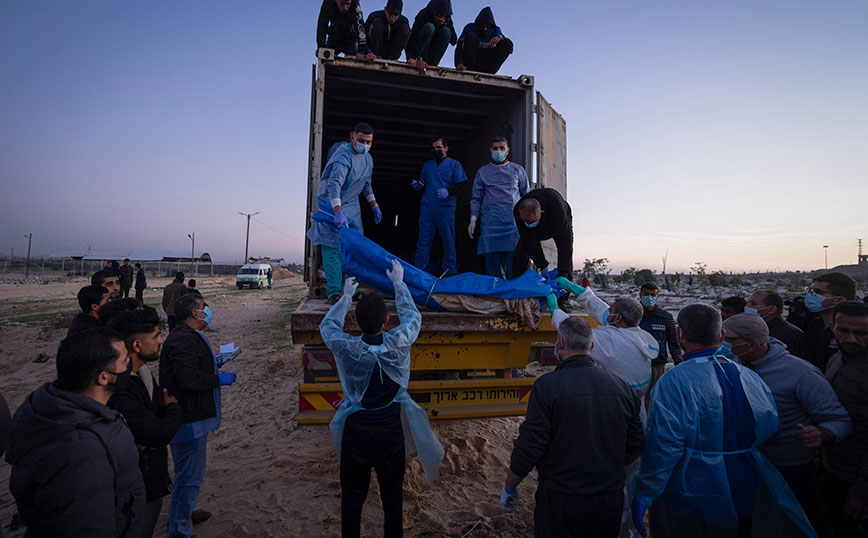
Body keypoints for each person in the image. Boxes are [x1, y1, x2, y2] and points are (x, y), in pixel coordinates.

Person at [631, 303, 815, 538]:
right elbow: (770, 423)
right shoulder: (747, 375)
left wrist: (646, 491)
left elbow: (664, 445)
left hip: (694, 486)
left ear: (680, 335)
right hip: (747, 480)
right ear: (722, 335)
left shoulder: (674, 381)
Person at [321, 260, 444, 538]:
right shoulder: (398, 342)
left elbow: (328, 329)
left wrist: (344, 298)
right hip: (390, 434)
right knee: (392, 501)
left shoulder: (348, 348)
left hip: (357, 434)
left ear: (355, 321)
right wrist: (399, 283)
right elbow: (413, 319)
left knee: (352, 501)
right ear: (387, 322)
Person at [502, 316, 644, 537]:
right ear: (592, 346)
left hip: (560, 498)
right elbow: (636, 444)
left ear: (559, 344)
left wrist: (510, 486)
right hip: (609, 498)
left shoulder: (547, 387)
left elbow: (530, 446)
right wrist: (607, 466)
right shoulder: (622, 387)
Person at [5, 328, 145, 537]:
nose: (130, 365)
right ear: (104, 377)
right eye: (125, 360)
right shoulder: (80, 451)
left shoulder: (52, 405)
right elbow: (83, 526)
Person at [723, 313, 850, 535]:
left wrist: (820, 433)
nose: (723, 343)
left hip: (788, 469)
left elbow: (839, 420)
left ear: (751, 345)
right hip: (745, 463)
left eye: (730, 340)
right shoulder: (734, 364)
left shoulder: (800, 373)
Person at [160, 294, 236, 537]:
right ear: (194, 313)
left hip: (193, 418)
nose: (207, 311)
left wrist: (216, 363)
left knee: (189, 475)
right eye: (204, 307)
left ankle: (182, 515)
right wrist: (218, 379)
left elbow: (191, 367)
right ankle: (179, 530)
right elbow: (188, 379)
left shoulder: (188, 336)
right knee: (188, 478)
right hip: (188, 421)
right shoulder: (182, 340)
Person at [109, 309, 184, 538]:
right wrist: (173, 408)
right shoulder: (121, 390)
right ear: (137, 346)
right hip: (136, 487)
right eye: (156, 336)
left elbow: (153, 428)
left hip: (151, 479)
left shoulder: (143, 372)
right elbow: (158, 433)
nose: (161, 341)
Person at [307, 122, 381, 303]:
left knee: (353, 248)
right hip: (331, 204)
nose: (365, 145)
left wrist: (374, 204)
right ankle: (333, 292)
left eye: (369, 141)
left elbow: (366, 184)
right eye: (361, 140)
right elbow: (334, 186)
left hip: (351, 204)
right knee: (333, 249)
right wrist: (338, 211)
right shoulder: (343, 157)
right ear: (352, 137)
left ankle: (352, 290)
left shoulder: (368, 159)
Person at [821, 301, 868, 537]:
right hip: (833, 468)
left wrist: (862, 492)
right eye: (843, 331)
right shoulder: (838, 359)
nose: (850, 339)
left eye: (860, 333)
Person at [468, 136, 530, 278]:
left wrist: (529, 221)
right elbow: (476, 198)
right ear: (490, 150)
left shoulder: (517, 170)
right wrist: (473, 219)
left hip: (512, 223)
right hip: (490, 223)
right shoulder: (482, 172)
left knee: (514, 263)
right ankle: (496, 298)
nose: (498, 151)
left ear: (507, 150)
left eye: (502, 148)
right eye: (495, 148)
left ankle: (514, 296)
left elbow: (526, 196)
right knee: (492, 264)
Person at [412, 137, 468, 276]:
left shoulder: (454, 165)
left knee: (448, 241)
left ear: (446, 148)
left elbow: (461, 185)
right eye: (434, 148)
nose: (436, 150)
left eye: (439, 147)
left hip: (445, 208)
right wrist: (418, 185)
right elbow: (423, 182)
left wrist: (448, 191)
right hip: (428, 206)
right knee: (423, 240)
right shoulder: (428, 166)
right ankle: (419, 271)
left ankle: (449, 271)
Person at [512, 187, 574, 287]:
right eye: (526, 222)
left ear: (541, 212)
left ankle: (563, 297)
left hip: (557, 220)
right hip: (535, 230)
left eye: (532, 222)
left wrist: (562, 273)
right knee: (519, 254)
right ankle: (519, 288)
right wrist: (542, 265)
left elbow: (565, 245)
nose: (529, 224)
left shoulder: (556, 209)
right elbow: (528, 241)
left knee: (566, 257)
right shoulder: (518, 210)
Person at [637, 282, 682, 405]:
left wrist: (678, 359)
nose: (649, 297)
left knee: (655, 399)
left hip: (658, 365)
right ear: (640, 294)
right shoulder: (633, 315)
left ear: (657, 296)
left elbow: (673, 342)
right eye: (646, 294)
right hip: (637, 364)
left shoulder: (666, 317)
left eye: (653, 294)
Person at [804, 272, 856, 372]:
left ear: (838, 300)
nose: (811, 295)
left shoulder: (855, 331)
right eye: (810, 291)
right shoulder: (816, 324)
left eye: (817, 292)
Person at [745, 289, 808, 359]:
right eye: (748, 302)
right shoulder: (751, 329)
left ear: (772, 309)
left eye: (753, 304)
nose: (747, 306)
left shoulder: (793, 336)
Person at [454, 7, 513, 74]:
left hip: (487, 63)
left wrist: (500, 38)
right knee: (471, 37)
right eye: (483, 26)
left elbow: (510, 48)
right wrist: (458, 63)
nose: (485, 28)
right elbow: (459, 47)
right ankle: (469, 67)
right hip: (472, 61)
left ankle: (490, 71)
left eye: (487, 27)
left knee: (507, 43)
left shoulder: (496, 30)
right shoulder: (470, 28)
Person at [406, 0, 456, 70]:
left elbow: (454, 41)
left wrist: (445, 24)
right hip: (420, 51)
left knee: (446, 31)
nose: (441, 17)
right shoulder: (423, 14)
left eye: (443, 15)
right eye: (439, 15)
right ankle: (419, 58)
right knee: (430, 27)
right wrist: (412, 57)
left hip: (433, 54)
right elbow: (412, 37)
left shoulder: (447, 19)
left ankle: (433, 64)